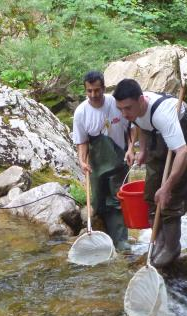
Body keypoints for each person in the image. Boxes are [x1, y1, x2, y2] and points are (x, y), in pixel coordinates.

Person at [113, 79, 187, 268]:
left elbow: (183, 153)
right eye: (120, 109)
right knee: (152, 191)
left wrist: (168, 187)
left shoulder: (163, 114)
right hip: (158, 132)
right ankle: (159, 242)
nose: (124, 113)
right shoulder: (133, 111)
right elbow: (141, 125)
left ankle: (171, 247)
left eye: (127, 108)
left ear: (140, 100)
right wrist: (144, 150)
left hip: (186, 129)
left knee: (170, 194)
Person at [72, 71, 130, 251]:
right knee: (98, 203)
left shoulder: (116, 104)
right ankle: (102, 240)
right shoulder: (81, 112)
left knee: (118, 201)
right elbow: (82, 141)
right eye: (89, 91)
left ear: (104, 88)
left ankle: (121, 241)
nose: (93, 95)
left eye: (97, 90)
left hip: (120, 162)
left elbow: (132, 126)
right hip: (96, 165)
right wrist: (82, 161)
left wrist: (131, 149)